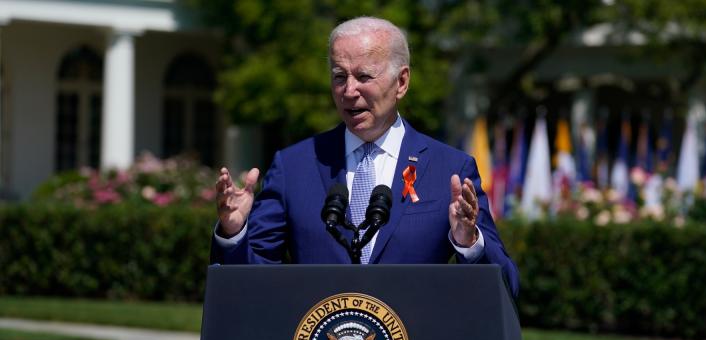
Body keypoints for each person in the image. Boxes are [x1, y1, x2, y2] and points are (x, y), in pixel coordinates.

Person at [211, 17, 519, 297]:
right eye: (339, 76)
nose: (349, 90)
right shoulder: (294, 167)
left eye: (364, 76)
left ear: (401, 82)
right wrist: (234, 232)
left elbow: (506, 285)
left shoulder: (448, 169)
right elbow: (252, 282)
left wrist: (468, 242)